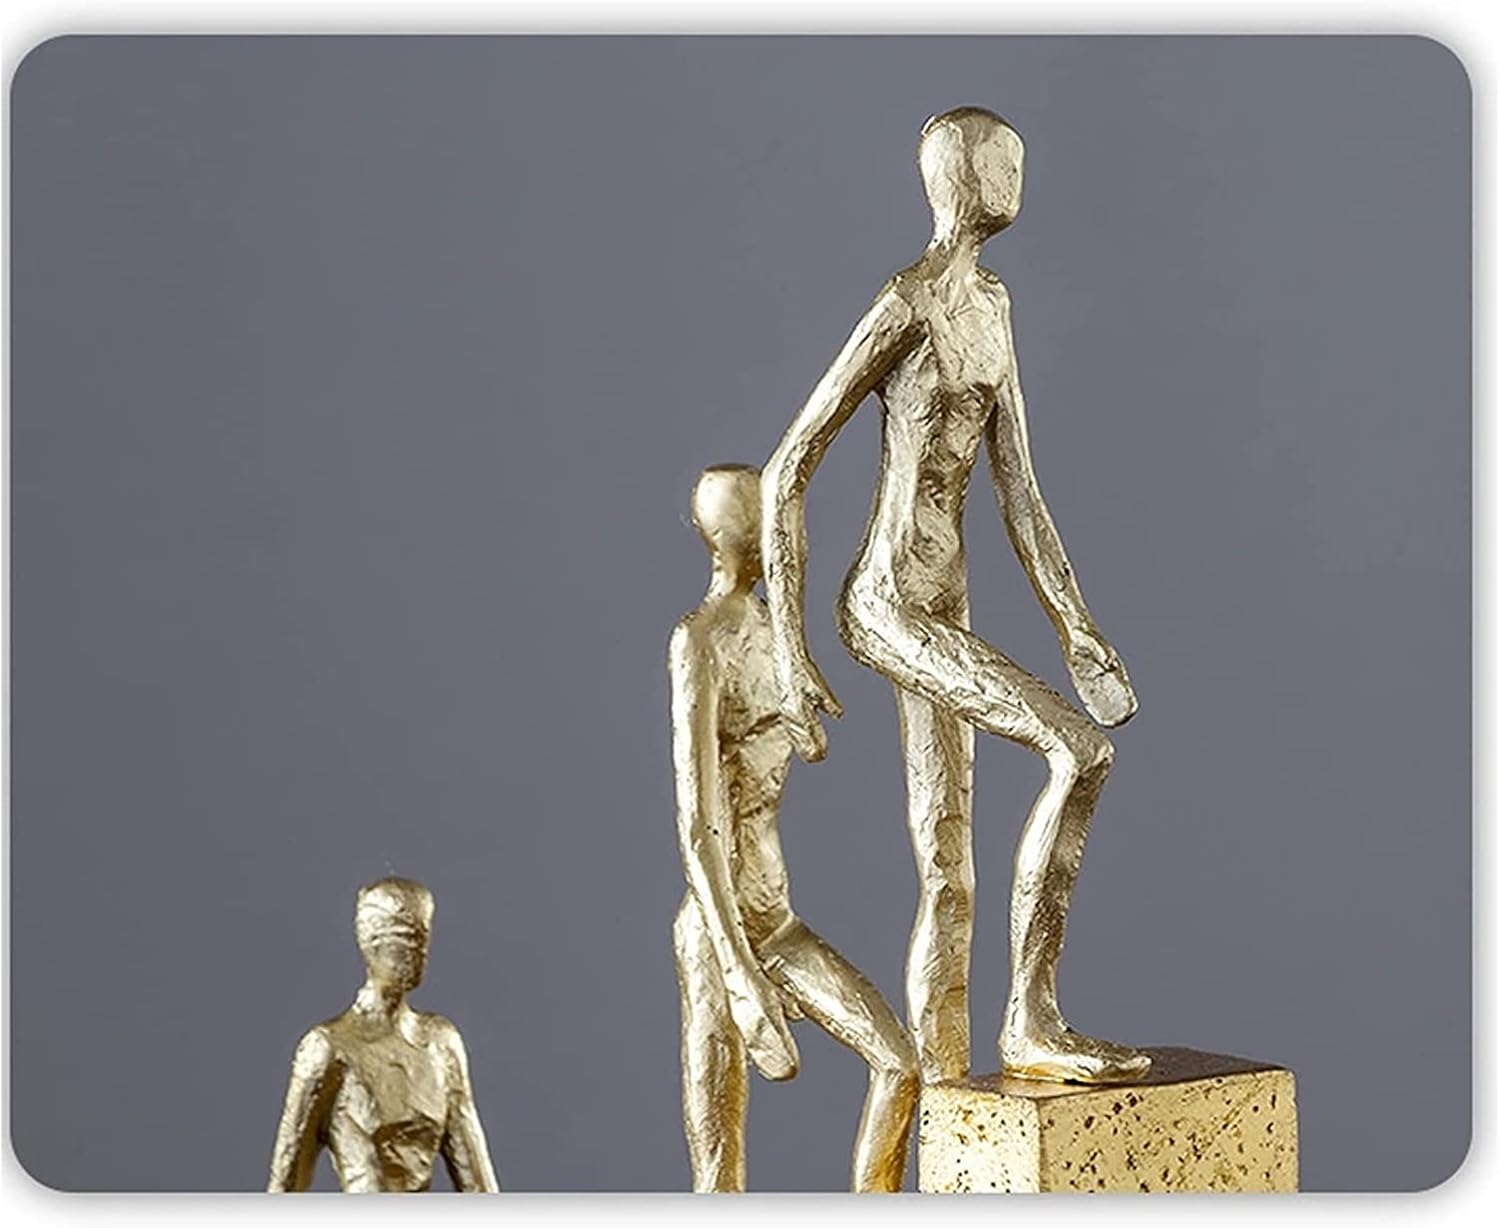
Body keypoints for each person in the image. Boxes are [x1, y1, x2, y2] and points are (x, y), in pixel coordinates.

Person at [761, 106, 1148, 1085]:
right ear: (962, 176)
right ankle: (1031, 1018)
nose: (1017, 174)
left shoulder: (993, 307)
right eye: (1002, 161)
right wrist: (791, 653)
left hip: (947, 599)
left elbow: (1021, 489)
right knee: (1079, 749)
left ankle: (945, 1101)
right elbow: (788, 466)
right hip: (889, 600)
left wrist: (1077, 628)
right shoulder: (909, 302)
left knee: (948, 867)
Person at [670, 465, 918, 1192]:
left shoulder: (776, 633)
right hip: (718, 931)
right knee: (719, 1174)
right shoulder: (699, 641)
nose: (790, 533)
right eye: (771, 519)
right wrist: (740, 977)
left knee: (898, 1063)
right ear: (734, 534)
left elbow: (805, 742)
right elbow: (697, 823)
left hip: (775, 917)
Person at [267, 877, 499, 1192]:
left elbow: (478, 1181)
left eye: (423, 937)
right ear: (370, 942)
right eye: (405, 937)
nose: (418, 951)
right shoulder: (330, 1047)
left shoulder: (441, 1043)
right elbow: (286, 1184)